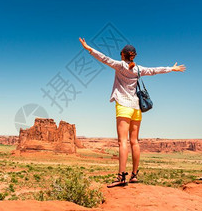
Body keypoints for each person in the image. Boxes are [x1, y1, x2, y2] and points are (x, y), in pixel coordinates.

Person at [79, 37, 186, 187]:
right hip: (136, 108)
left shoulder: (120, 66)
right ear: (134, 56)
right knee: (134, 141)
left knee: (122, 141)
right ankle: (134, 175)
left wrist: (88, 48)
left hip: (123, 106)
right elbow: (155, 70)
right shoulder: (138, 69)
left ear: (122, 54)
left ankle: (121, 177)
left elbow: (103, 58)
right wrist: (171, 68)